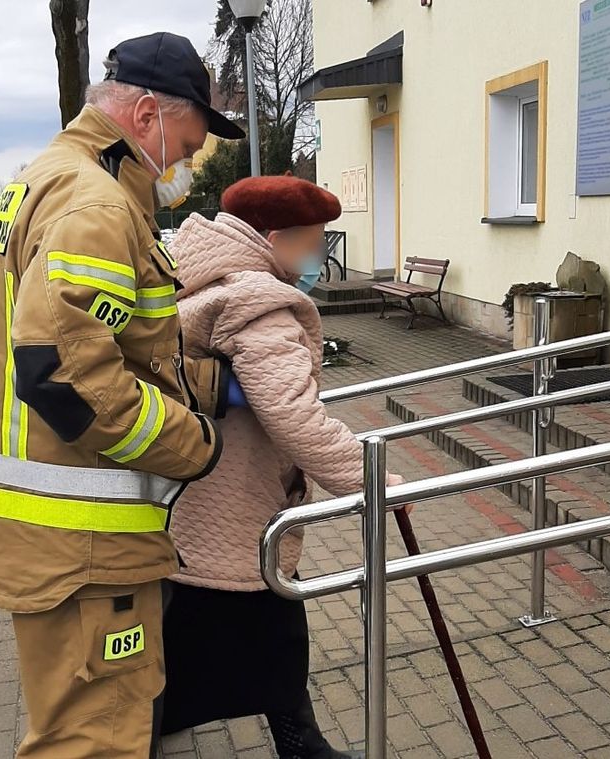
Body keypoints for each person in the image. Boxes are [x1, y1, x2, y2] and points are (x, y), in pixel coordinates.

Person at [0, 32, 245, 758]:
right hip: (82, 543)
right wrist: (195, 446)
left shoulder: (48, 178)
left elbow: (101, 343)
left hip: (52, 540)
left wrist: (209, 385)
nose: (186, 163)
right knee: (94, 741)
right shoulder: (96, 203)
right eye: (187, 142)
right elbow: (64, 374)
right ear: (147, 114)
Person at [159, 175, 404, 759]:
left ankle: (273, 738)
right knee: (269, 623)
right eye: (314, 242)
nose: (318, 256)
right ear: (277, 238)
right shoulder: (258, 299)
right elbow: (293, 413)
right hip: (235, 501)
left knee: (209, 623)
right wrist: (370, 478)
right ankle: (299, 745)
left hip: (196, 488)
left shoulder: (201, 274)